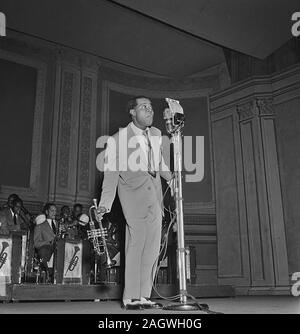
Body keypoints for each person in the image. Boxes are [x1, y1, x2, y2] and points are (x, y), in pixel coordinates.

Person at [97, 96, 173, 310]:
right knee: (136, 242)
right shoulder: (116, 140)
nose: (150, 110)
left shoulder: (157, 134)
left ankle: (144, 295)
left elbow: (159, 163)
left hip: (155, 198)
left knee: (152, 247)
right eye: (144, 107)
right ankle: (130, 297)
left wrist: (172, 178)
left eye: (150, 107)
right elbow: (111, 175)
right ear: (132, 112)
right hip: (132, 197)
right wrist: (105, 204)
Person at [33, 203, 58, 282]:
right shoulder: (40, 225)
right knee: (44, 251)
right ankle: (47, 273)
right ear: (47, 212)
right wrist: (48, 241)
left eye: (55, 211)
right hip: (47, 249)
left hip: (59, 249)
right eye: (52, 211)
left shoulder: (59, 224)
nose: (54, 213)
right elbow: (36, 243)